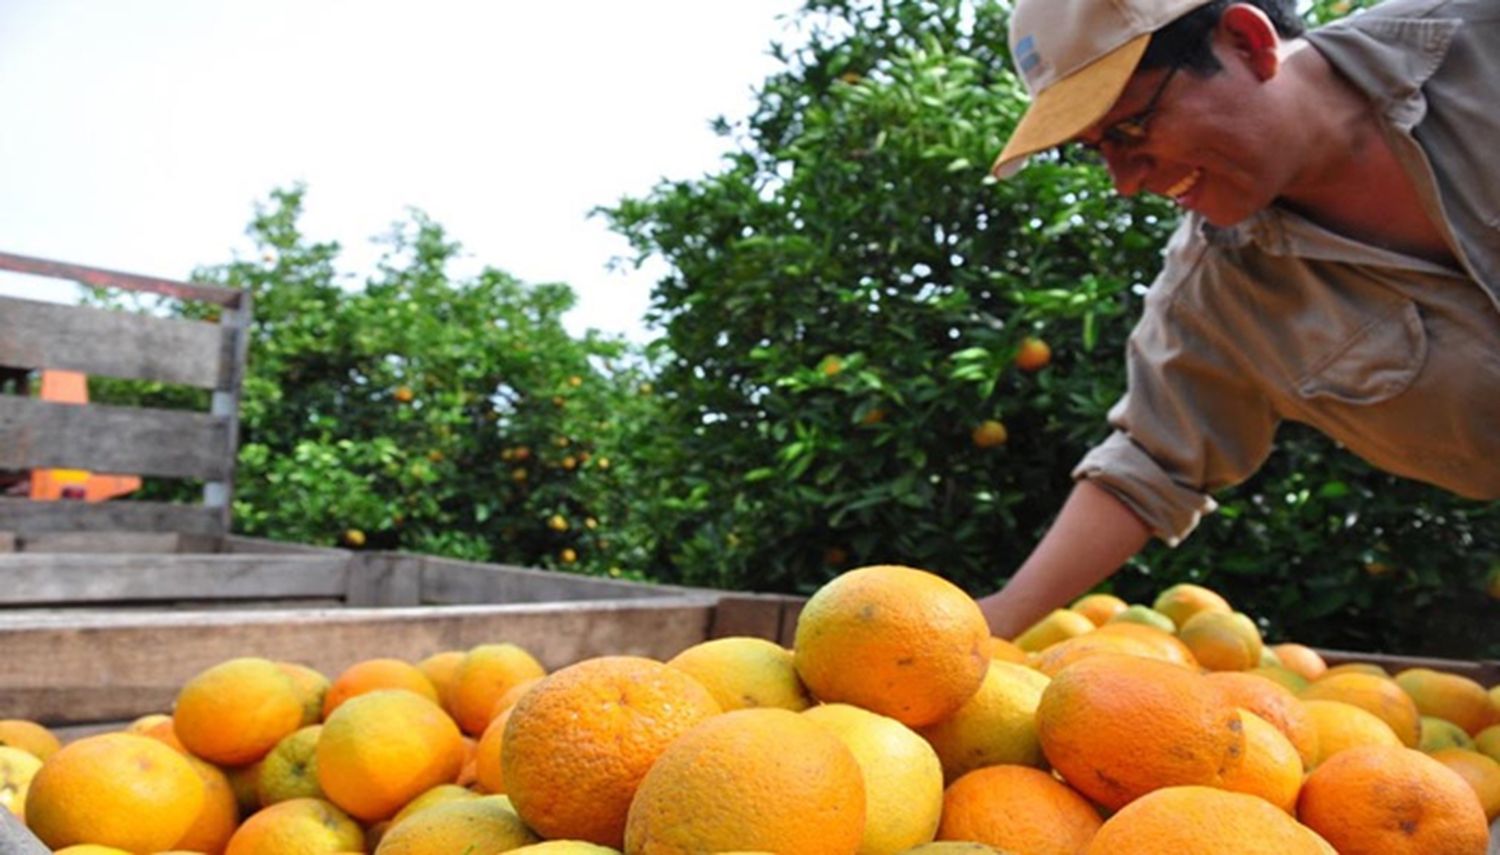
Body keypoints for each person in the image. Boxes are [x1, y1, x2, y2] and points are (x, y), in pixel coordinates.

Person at [976, 0, 1500, 638]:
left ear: (1248, 43)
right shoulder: (1220, 293)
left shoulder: (1477, 43)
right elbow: (1151, 461)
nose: (1124, 181)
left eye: (1131, 129)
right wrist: (995, 624)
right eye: (1096, 151)